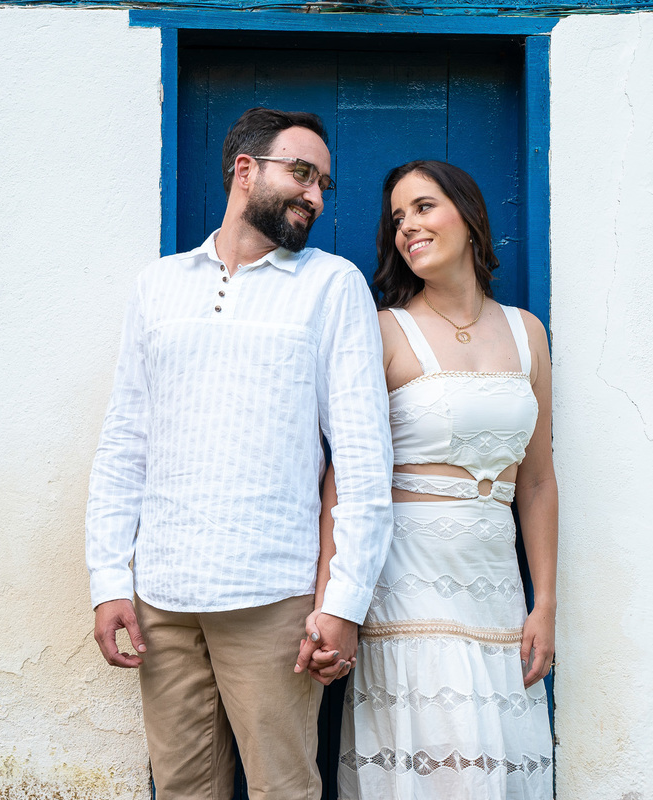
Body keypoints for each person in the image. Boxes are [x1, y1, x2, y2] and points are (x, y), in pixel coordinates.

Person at [85, 107, 394, 800]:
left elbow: (364, 457)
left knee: (284, 789)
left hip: (273, 597)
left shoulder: (331, 285)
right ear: (245, 171)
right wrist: (109, 579)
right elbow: (125, 441)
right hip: (162, 597)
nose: (315, 195)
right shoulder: (158, 285)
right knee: (183, 788)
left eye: (324, 183)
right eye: (302, 173)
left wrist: (342, 600)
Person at [299, 160, 557, 798]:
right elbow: (345, 478)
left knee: (495, 768)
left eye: (423, 207)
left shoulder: (528, 334)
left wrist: (544, 602)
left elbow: (538, 481)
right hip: (408, 585)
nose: (407, 227)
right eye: (396, 219)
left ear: (469, 219)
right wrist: (332, 602)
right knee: (436, 761)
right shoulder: (386, 330)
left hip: (496, 591)